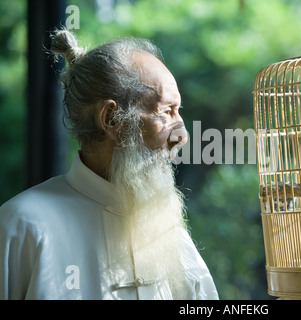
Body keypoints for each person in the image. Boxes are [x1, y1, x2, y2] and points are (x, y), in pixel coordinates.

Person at [0, 29, 219, 300]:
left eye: (179, 112)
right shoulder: (22, 227)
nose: (182, 136)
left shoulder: (170, 236)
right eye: (166, 112)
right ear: (112, 119)